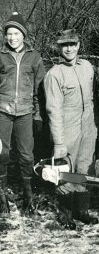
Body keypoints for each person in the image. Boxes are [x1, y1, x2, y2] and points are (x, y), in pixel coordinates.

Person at [44, 29, 99, 229]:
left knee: (85, 167)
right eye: (64, 45)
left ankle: (81, 210)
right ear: (59, 48)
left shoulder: (87, 67)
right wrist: (59, 142)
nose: (69, 49)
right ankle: (65, 213)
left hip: (88, 124)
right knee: (65, 170)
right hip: (66, 126)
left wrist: (93, 126)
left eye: (72, 44)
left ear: (78, 45)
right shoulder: (54, 74)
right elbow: (53, 110)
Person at [0, 12, 45, 216]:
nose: (12, 37)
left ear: (23, 35)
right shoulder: (1, 55)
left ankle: (28, 198)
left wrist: (38, 115)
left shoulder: (34, 57)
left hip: (26, 112)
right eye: (9, 33)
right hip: (3, 111)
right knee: (2, 153)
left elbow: (39, 88)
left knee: (27, 155)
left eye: (16, 33)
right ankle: (2, 199)